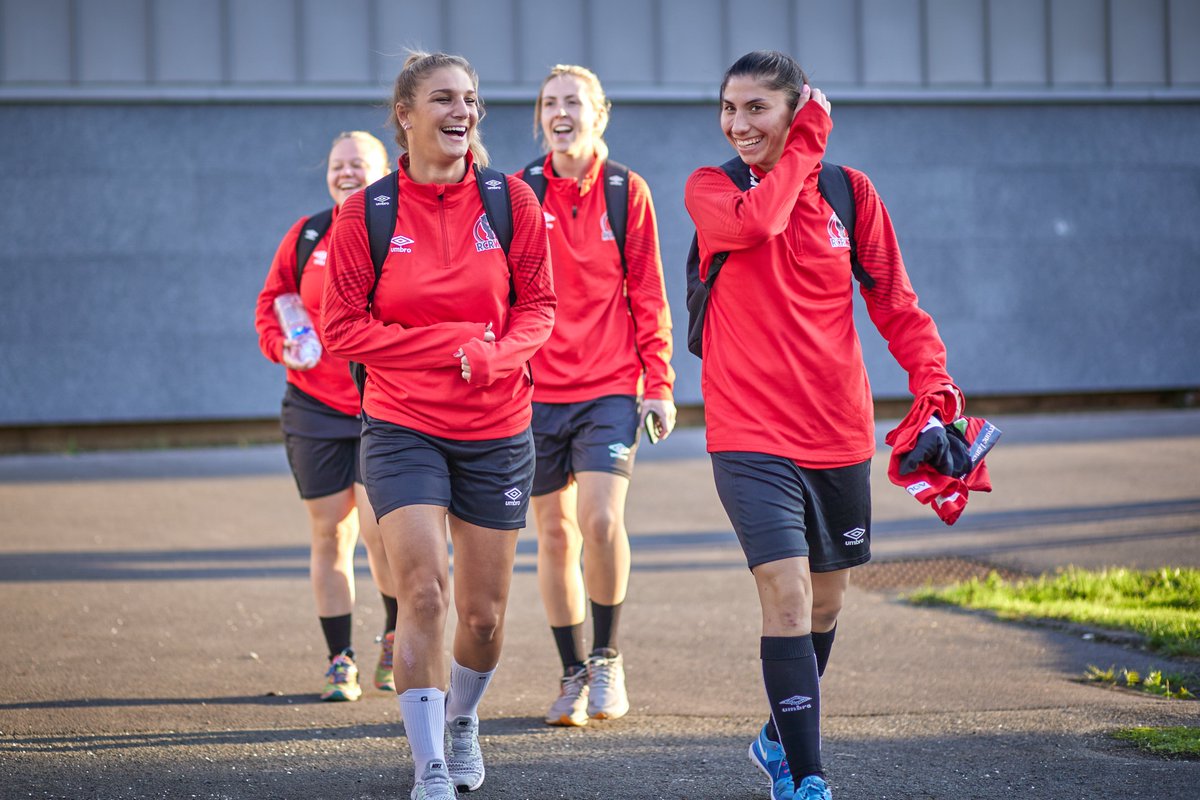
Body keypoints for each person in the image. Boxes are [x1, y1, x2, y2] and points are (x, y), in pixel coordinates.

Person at [684, 51, 966, 800]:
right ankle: (806, 778)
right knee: (786, 595)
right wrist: (809, 137)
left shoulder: (849, 193)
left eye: (757, 109)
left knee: (828, 600)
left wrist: (934, 382)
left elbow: (895, 303)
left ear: (791, 109)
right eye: (729, 109)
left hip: (837, 429)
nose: (738, 124)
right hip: (747, 433)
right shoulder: (712, 189)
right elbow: (762, 218)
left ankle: (778, 732)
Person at [320, 51, 555, 800]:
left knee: (482, 618)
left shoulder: (511, 201)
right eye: (445, 100)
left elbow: (540, 308)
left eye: (473, 101)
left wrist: (495, 358)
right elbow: (342, 328)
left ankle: (461, 722)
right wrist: (447, 347)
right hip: (402, 425)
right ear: (406, 114)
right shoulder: (368, 213)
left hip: (497, 426)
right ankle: (428, 769)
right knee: (423, 593)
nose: (463, 113)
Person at [514, 65, 675, 727]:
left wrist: (658, 385)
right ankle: (572, 672)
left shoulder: (625, 192)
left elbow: (649, 296)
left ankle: (607, 658)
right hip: (532, 391)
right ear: (539, 117)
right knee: (553, 535)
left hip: (610, 385)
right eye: (550, 103)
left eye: (573, 102)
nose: (561, 113)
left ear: (598, 114)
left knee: (600, 522)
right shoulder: (516, 191)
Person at [254, 130, 398, 703]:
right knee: (328, 532)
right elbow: (271, 303)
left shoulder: (397, 231)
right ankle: (341, 660)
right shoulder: (307, 233)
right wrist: (282, 346)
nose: (347, 173)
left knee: (378, 533)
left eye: (359, 165)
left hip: (379, 403)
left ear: (385, 171)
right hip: (313, 406)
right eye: (339, 165)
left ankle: (395, 635)